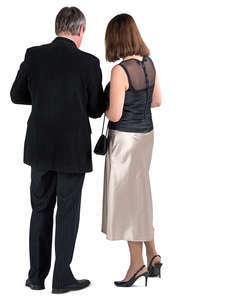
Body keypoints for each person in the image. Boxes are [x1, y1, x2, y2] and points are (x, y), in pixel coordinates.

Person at [10, 7, 105, 294]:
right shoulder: (88, 62)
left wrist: (42, 98)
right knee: (67, 212)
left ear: (57, 27)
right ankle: (62, 278)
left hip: (39, 146)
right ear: (80, 30)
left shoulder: (34, 54)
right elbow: (95, 109)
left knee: (40, 209)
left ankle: (36, 276)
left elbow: (16, 95)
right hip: (73, 150)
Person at [102, 13, 163, 287]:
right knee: (141, 194)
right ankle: (153, 255)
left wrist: (102, 107)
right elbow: (157, 101)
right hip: (146, 136)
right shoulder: (149, 65)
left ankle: (136, 264)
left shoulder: (120, 71)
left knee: (128, 202)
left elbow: (114, 114)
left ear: (115, 38)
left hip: (125, 141)